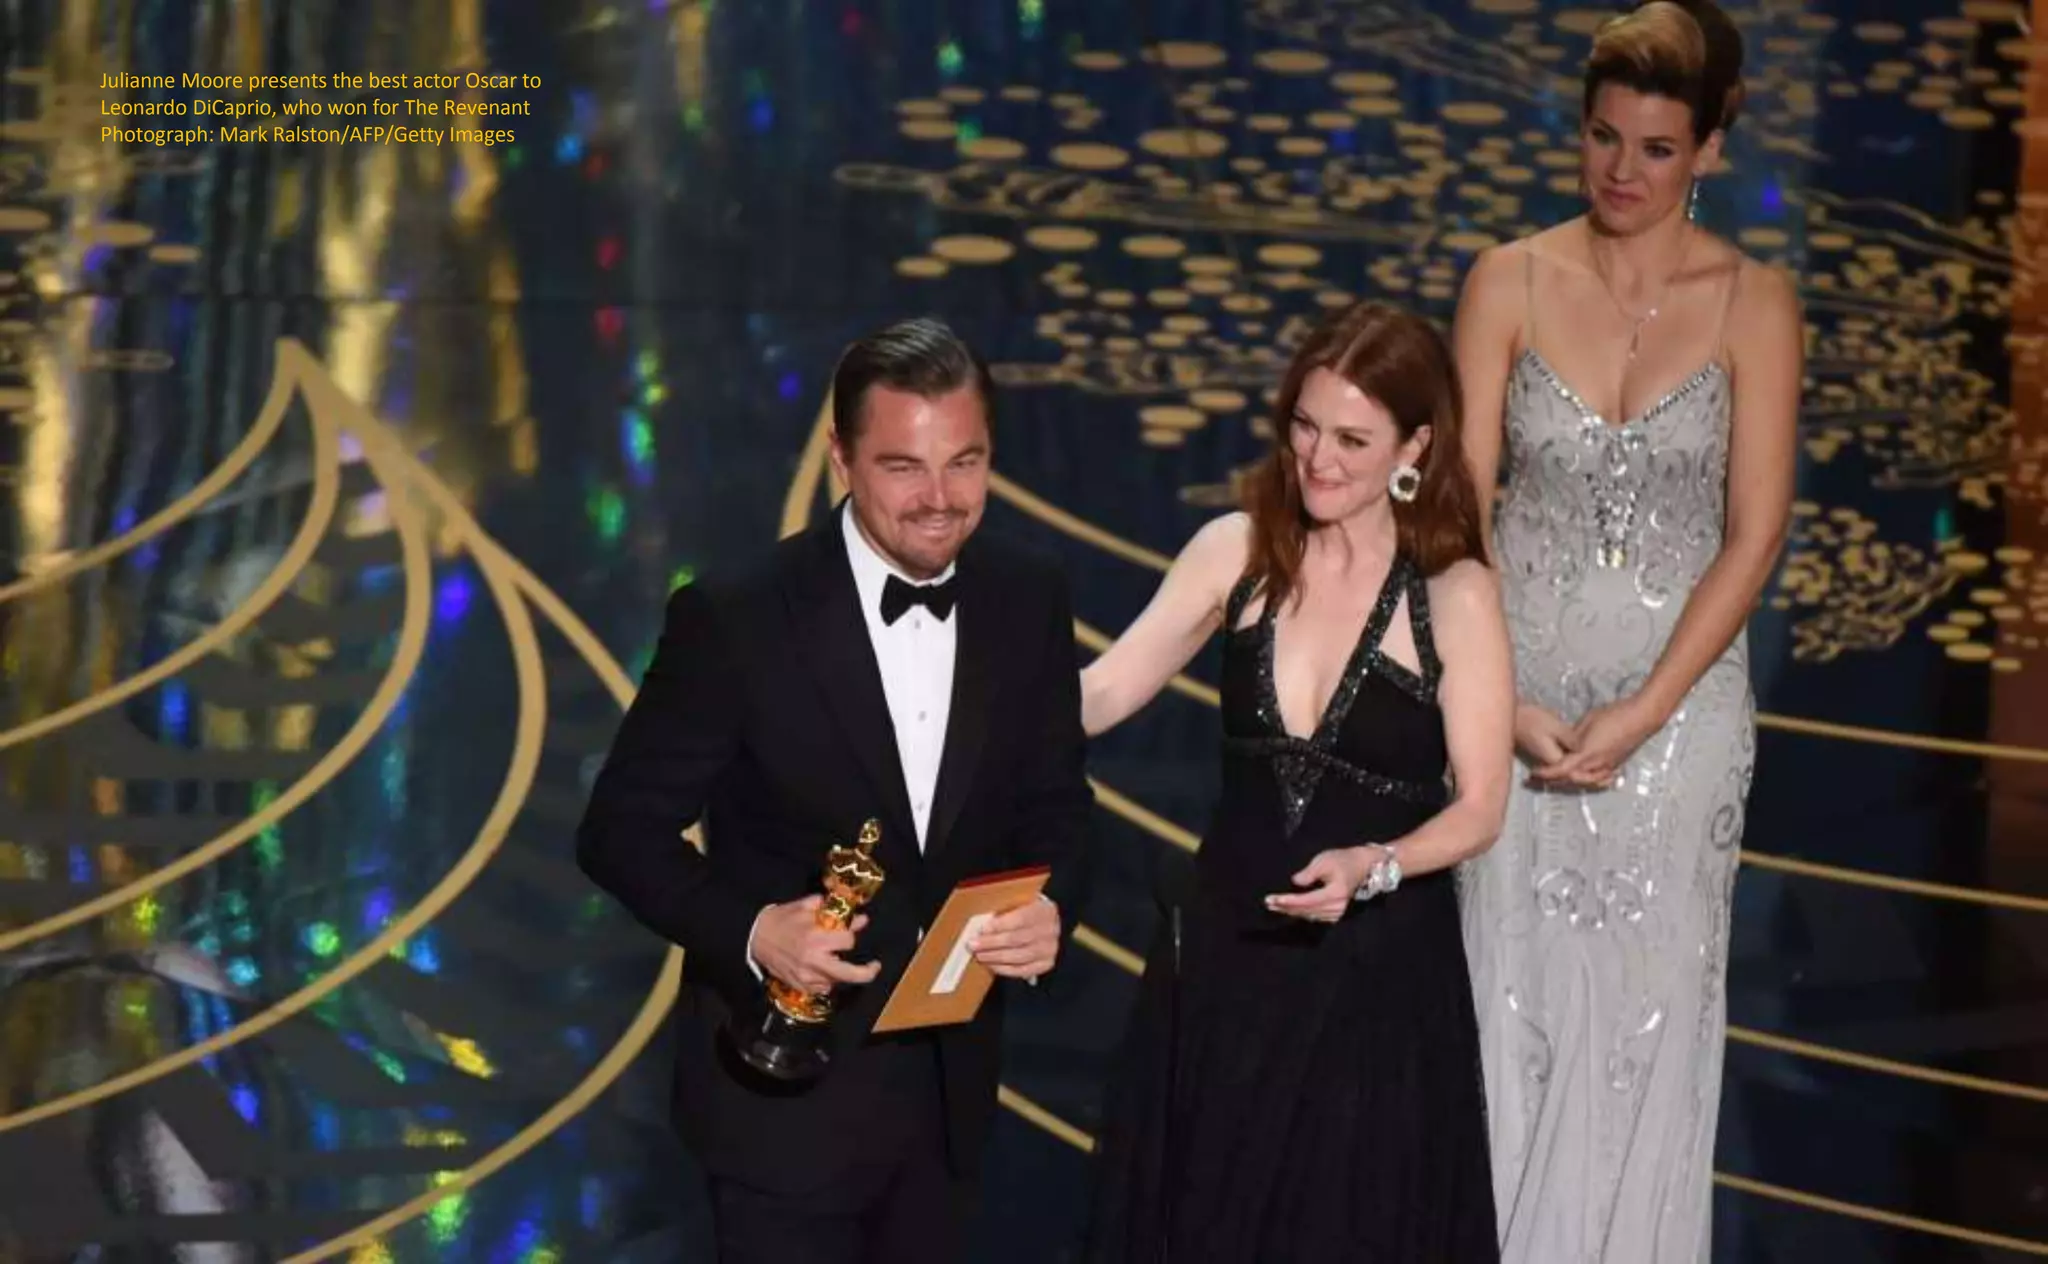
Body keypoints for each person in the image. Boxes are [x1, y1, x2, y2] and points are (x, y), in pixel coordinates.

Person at [575, 316, 1092, 1264]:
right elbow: (618, 830)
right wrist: (754, 928)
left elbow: (1059, 805)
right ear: (841, 459)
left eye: (966, 463)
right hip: (783, 1106)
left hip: (950, 1105)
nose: (941, 501)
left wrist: (1052, 904)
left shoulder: (1030, 595)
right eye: (904, 467)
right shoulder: (736, 618)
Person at [1448, 1, 1799, 1259]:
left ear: (1709, 147)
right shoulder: (1506, 280)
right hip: (1519, 710)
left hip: (1678, 729)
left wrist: (1645, 712)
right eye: (1602, 138)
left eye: (1655, 149)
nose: (1620, 172)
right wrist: (1498, 702)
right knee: (1511, 1011)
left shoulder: (1755, 304)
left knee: (1647, 1033)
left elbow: (1753, 535)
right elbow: (1456, 511)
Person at [1078, 300, 1514, 1261]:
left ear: (1417, 443)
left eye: (1353, 438)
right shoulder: (1234, 551)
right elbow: (1102, 693)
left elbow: (1482, 803)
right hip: (1228, 968)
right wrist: (952, 699)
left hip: (1376, 988)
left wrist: (1378, 864)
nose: (1318, 458)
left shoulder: (1455, 592)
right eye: (1306, 426)